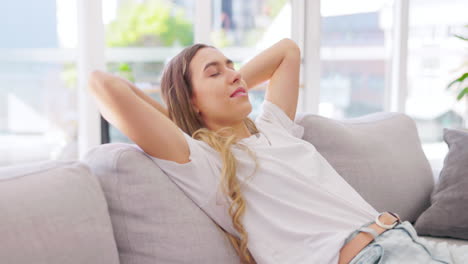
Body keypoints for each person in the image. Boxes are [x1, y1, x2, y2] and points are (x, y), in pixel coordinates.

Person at [87, 38, 468, 264]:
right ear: (190, 100)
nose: (234, 74)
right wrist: (183, 116)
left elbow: (287, 50)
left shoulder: (272, 127)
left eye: (231, 66)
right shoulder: (203, 161)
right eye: (213, 72)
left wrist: (224, 88)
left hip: (409, 241)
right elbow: (102, 84)